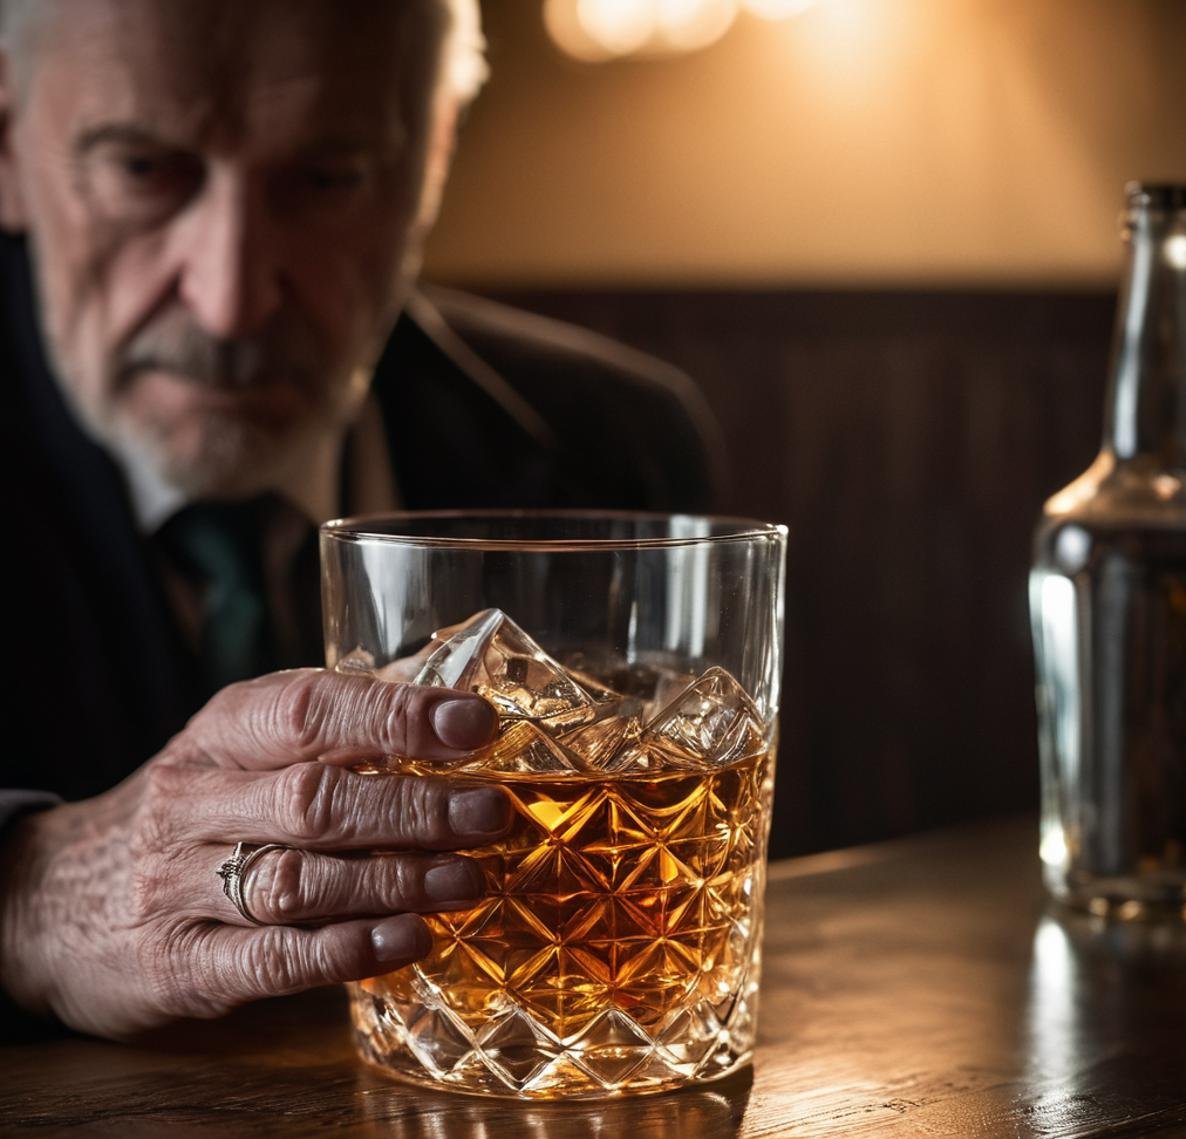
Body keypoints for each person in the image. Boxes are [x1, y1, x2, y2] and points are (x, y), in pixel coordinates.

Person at [0, 0, 721, 1039]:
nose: (230, 300)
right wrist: (25, 893)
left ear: (433, 159)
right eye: (144, 172)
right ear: (10, 142)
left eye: (326, 180)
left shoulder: (619, 442)